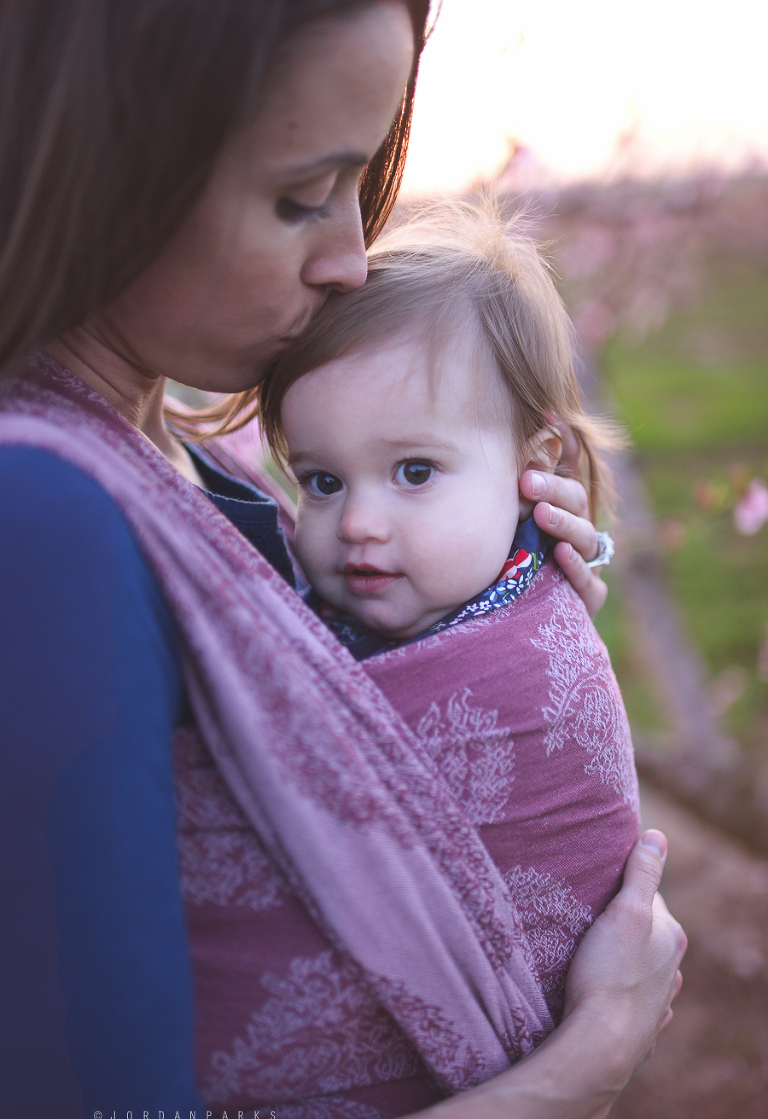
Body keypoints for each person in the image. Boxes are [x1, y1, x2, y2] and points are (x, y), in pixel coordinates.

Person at [0, 3, 686, 1119]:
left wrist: (501, 635)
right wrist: (576, 1074)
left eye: (359, 184)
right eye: (298, 195)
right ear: (113, 163)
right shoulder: (43, 521)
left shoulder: (194, 463)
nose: (348, 257)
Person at [255, 202, 640, 1045]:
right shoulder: (298, 603)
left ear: (532, 468)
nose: (358, 521)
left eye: (414, 471)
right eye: (321, 481)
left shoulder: (531, 618)